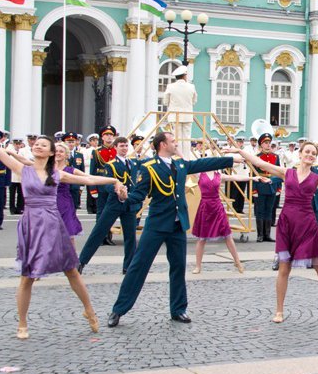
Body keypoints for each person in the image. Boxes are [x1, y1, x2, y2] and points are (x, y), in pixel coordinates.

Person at [0, 125, 126, 339]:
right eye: (37, 144)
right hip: (31, 225)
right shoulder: (24, 169)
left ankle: (88, 309)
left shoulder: (57, 174)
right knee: (27, 276)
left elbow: (88, 179)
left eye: (44, 145)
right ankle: (22, 323)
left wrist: (115, 180)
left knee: (71, 271)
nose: (39, 146)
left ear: (51, 152)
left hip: (53, 224)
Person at [107, 132, 236, 327]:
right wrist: (124, 197)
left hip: (177, 225)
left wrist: (232, 158)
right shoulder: (148, 167)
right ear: (163, 145)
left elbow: (205, 164)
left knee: (178, 267)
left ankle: (178, 309)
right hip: (157, 224)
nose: (176, 143)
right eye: (173, 141)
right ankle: (119, 309)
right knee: (138, 265)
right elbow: (138, 195)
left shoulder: (180, 164)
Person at [238, 140, 318, 323]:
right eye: (307, 151)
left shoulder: (317, 178)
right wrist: (239, 150)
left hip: (307, 223)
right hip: (287, 223)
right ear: (300, 154)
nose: (310, 155)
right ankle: (279, 311)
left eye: (313, 153)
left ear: (315, 158)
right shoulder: (287, 172)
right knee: (284, 267)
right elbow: (260, 164)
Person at [78, 136, 140, 274]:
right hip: (114, 203)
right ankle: (81, 261)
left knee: (130, 237)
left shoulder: (134, 163)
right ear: (116, 148)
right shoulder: (111, 164)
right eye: (121, 146)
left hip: (129, 204)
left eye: (126, 146)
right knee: (99, 231)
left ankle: (128, 266)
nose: (124, 148)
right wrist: (117, 190)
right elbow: (107, 184)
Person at [190, 156, 261, 275]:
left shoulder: (220, 175)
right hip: (205, 207)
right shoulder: (199, 174)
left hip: (217, 207)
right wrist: (177, 152)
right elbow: (187, 163)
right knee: (201, 238)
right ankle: (198, 266)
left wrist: (252, 177)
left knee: (227, 235)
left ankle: (237, 261)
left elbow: (236, 177)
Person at [163, 65, 197, 159]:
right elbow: (194, 101)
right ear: (185, 75)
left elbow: (165, 101)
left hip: (174, 116)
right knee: (186, 138)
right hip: (187, 115)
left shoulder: (171, 86)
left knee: (176, 138)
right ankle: (186, 158)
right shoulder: (191, 86)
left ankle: (178, 157)